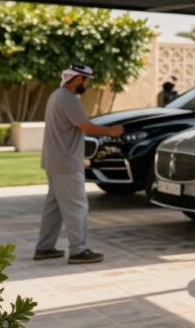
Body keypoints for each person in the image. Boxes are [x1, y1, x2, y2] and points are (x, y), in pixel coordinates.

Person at [34, 63, 124, 264]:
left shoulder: (56, 95)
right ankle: (78, 251)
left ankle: (44, 248)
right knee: (77, 206)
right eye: (87, 80)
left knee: (54, 207)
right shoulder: (68, 99)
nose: (88, 84)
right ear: (78, 79)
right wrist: (111, 131)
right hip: (66, 163)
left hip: (53, 160)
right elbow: (86, 127)